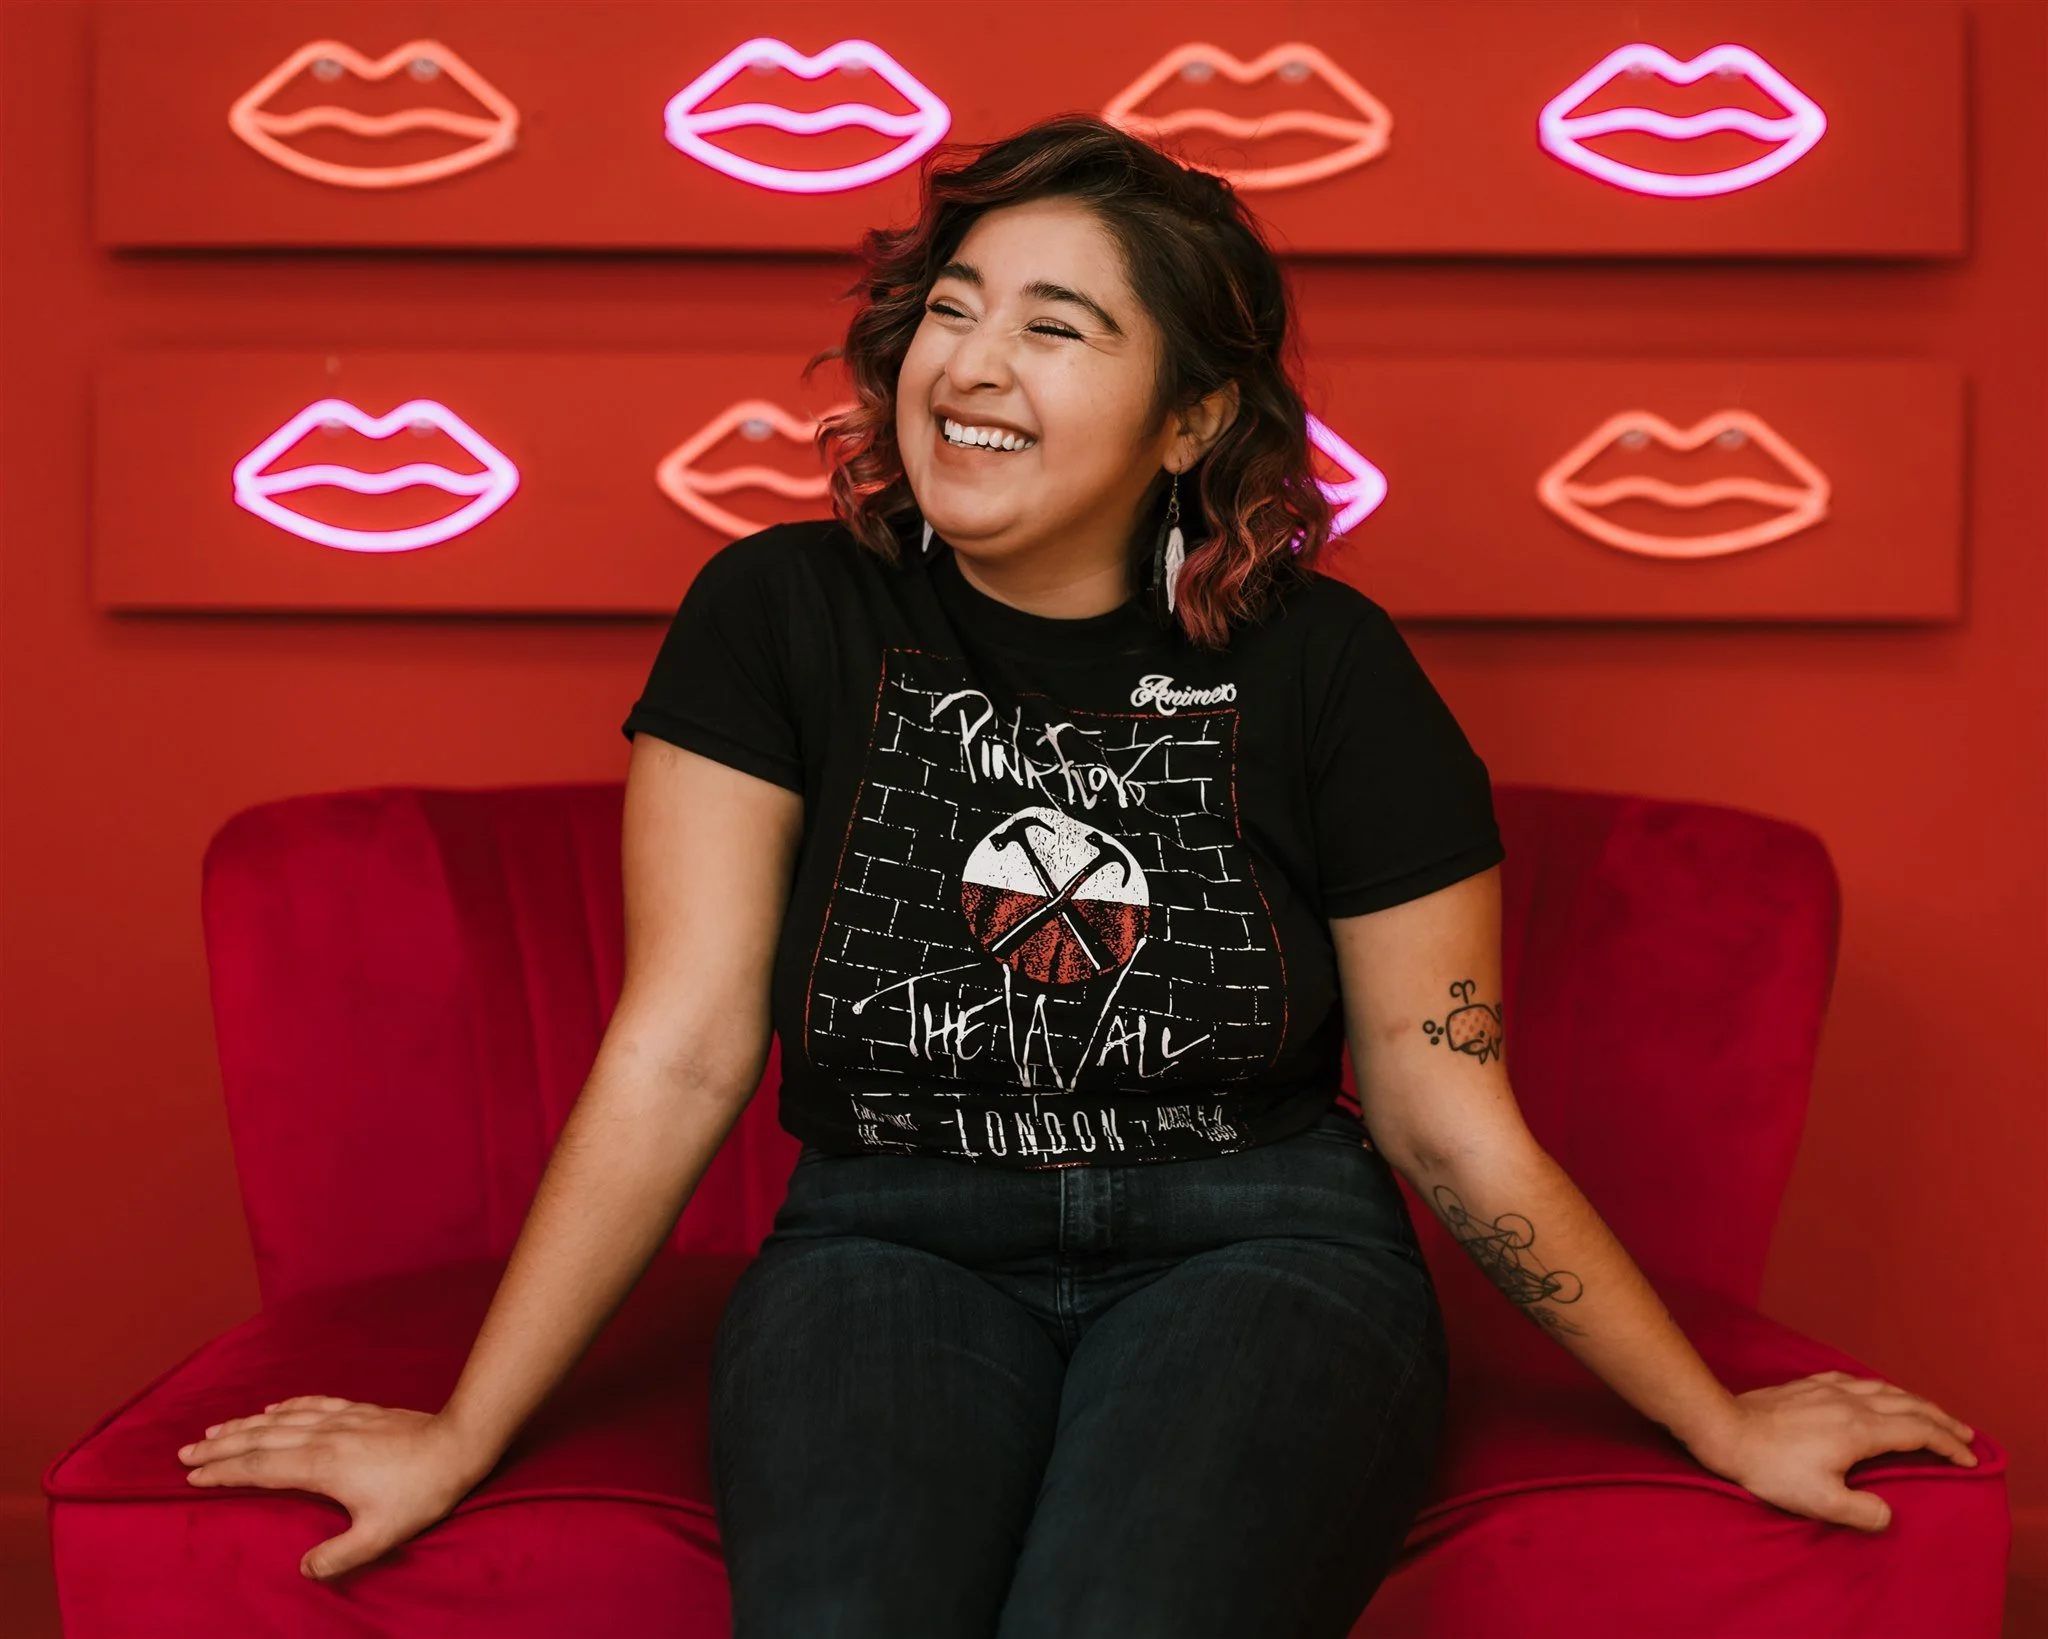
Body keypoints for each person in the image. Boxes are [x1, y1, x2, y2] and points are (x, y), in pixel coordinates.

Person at [175, 116, 1980, 1636]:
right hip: (888, 1232)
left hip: (1261, 1244)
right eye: (949, 310)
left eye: (1056, 327)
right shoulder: (781, 616)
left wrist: (1716, 1419)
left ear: (1191, 421)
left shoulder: (1328, 668)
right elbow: (681, 1044)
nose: (970, 362)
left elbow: (1449, 1115)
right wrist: (464, 1429)